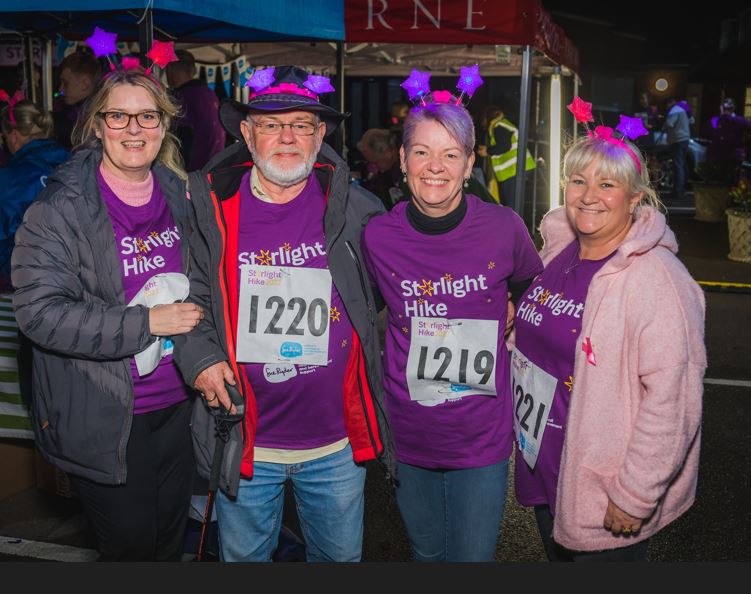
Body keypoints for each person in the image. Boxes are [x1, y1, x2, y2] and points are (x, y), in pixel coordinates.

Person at [172, 65, 396, 562]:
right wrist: (201, 359)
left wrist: (499, 293)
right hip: (246, 438)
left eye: (301, 125)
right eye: (272, 125)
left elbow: (394, 287)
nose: (287, 137)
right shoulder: (210, 208)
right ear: (247, 134)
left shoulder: (358, 209)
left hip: (334, 442)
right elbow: (188, 299)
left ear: (321, 136)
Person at [11, 68, 204, 561]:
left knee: (167, 544)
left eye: (147, 116)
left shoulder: (182, 196)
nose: (133, 129)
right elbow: (38, 313)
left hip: (179, 406)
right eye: (118, 115)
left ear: (164, 125)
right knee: (130, 549)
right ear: (96, 125)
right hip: (108, 414)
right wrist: (146, 324)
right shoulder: (60, 208)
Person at [512, 119, 706, 561]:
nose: (589, 196)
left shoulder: (657, 280)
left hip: (603, 490)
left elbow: (673, 402)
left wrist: (635, 493)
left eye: (608, 184)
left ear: (635, 196)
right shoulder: (560, 252)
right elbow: (543, 335)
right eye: (578, 181)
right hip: (546, 464)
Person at [361, 91, 543, 562]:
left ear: (468, 164)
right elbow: (357, 315)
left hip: (481, 437)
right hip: (407, 433)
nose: (435, 166)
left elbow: (536, 299)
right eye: (422, 151)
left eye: (450, 154)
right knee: (426, 554)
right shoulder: (379, 236)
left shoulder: (504, 228)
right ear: (403, 159)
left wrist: (517, 319)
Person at [0, 99, 68, 292]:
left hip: (24, 280)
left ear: (13, 136)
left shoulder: (11, 178)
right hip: (74, 275)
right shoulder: (75, 163)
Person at [165, 49, 226, 172]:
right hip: (215, 168)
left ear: (170, 69)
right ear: (194, 70)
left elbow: (178, 140)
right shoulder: (209, 93)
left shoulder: (183, 97)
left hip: (194, 173)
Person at [477, 104, 536, 205]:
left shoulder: (498, 126)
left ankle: (512, 221)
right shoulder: (504, 124)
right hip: (517, 169)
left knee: (510, 205)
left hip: (513, 171)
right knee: (511, 204)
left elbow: (504, 146)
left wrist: (487, 151)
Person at [52, 50, 101, 149]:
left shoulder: (93, 121)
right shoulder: (70, 113)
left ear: (84, 85)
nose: (61, 89)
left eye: (65, 83)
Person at [356, 127, 404, 210]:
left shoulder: (409, 170)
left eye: (375, 162)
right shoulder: (385, 172)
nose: (373, 168)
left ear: (388, 153)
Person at [705, 98, 751, 167]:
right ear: (733, 108)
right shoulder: (741, 120)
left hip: (719, 155)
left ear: (721, 108)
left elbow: (707, 134)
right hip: (735, 155)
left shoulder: (715, 120)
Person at [664, 97, 691, 199]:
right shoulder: (684, 108)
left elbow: (670, 123)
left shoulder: (675, 109)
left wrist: (664, 125)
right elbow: (692, 120)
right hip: (685, 139)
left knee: (678, 165)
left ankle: (678, 191)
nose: (667, 107)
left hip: (677, 139)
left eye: (667, 105)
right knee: (682, 165)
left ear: (671, 102)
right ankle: (682, 189)